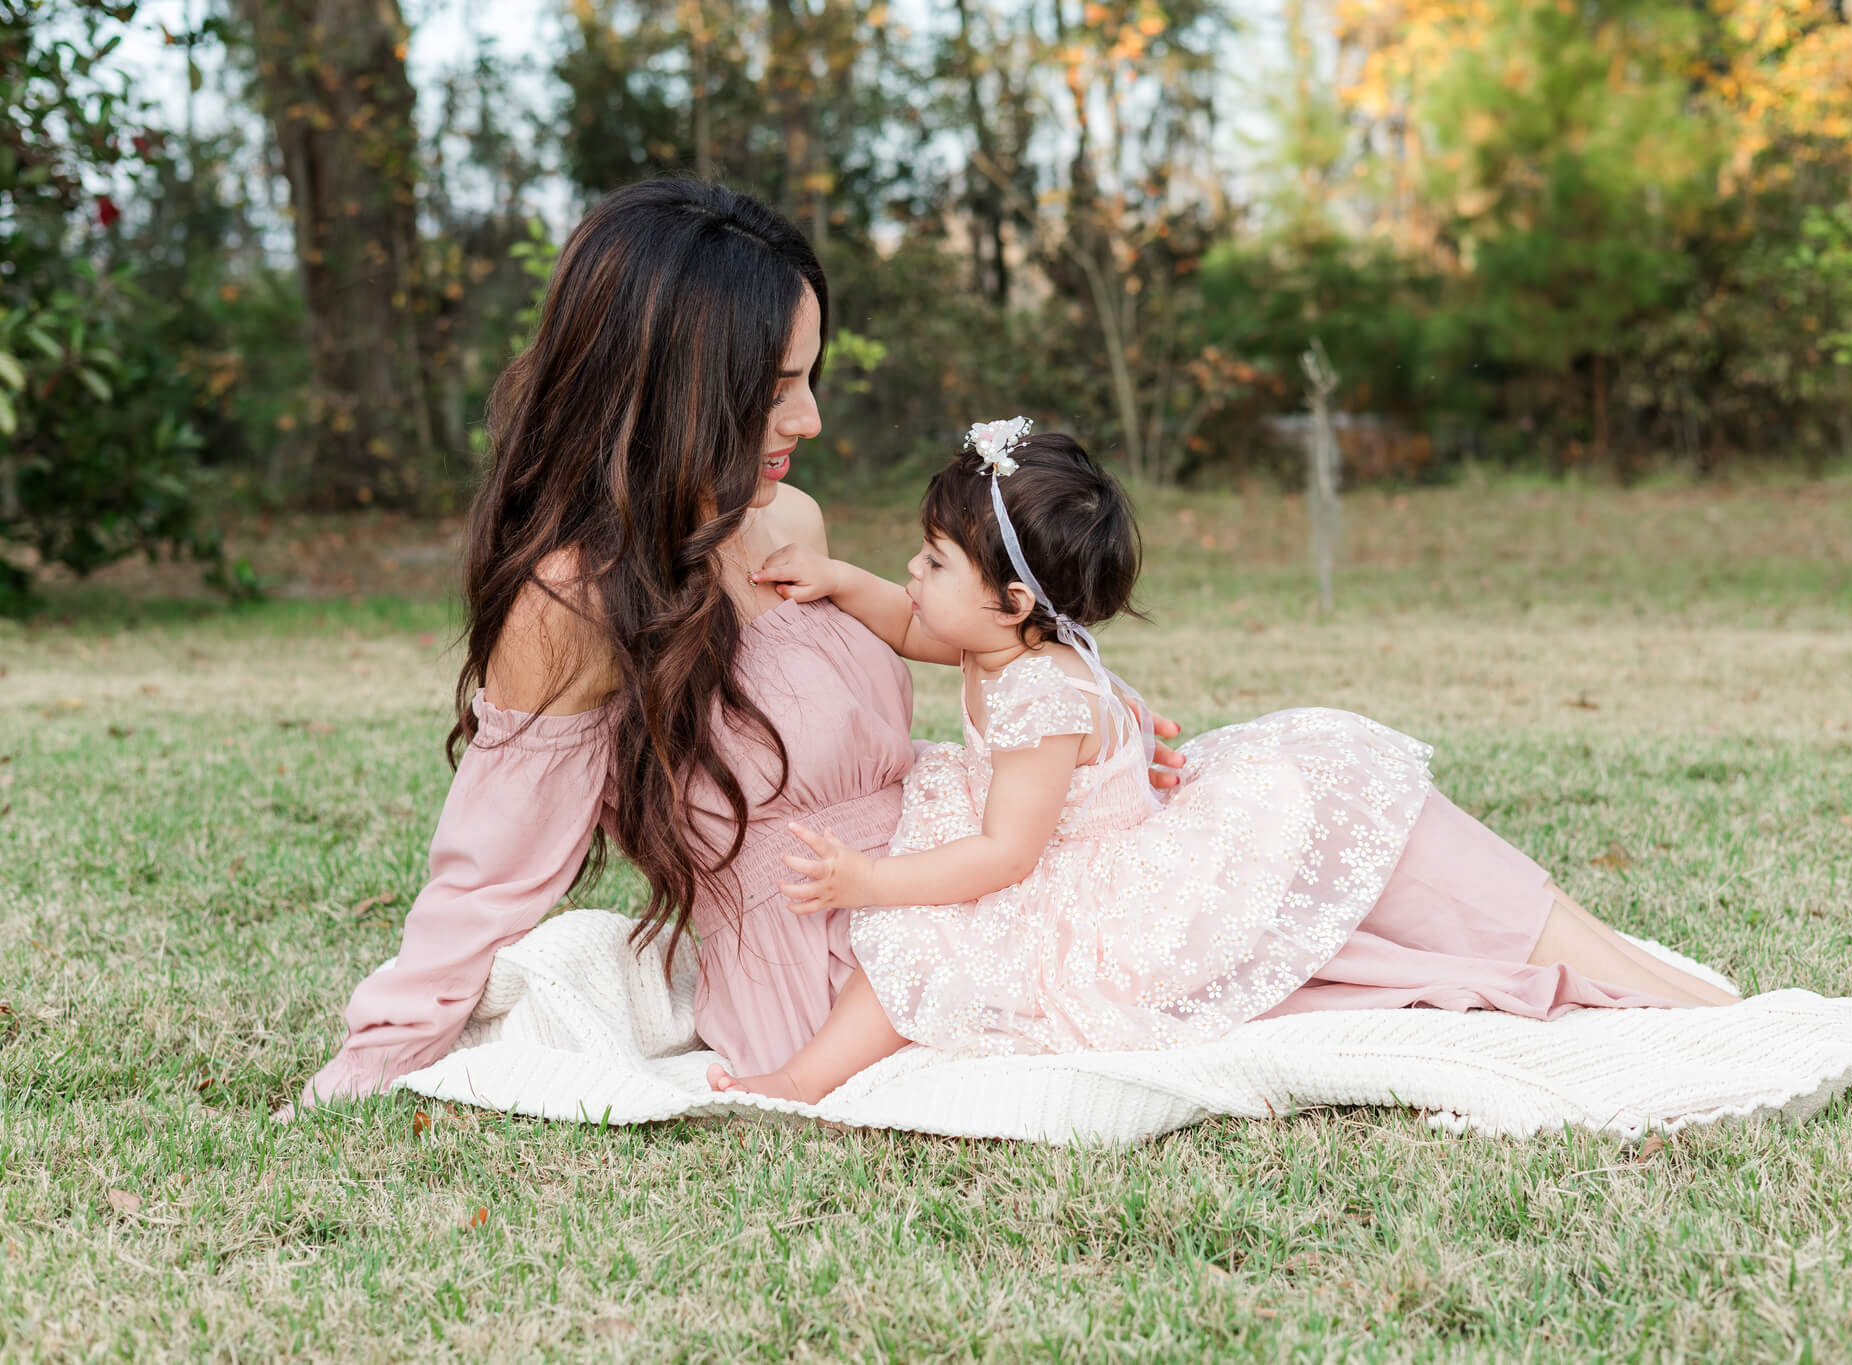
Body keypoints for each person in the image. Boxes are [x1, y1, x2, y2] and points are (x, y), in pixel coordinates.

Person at [284, 180, 1193, 1115]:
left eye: (810, 378)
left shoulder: (789, 518)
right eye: (776, 389)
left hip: (960, 873)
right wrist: (373, 1059)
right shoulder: (574, 600)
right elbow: (489, 869)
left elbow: (894, 732)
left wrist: (1079, 760)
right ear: (670, 389)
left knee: (1272, 817)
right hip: (836, 970)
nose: (810, 421)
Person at [708, 421, 1739, 1104]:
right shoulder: (993, 640)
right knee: (911, 944)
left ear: (1015, 603)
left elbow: (1005, 854)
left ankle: (799, 1084)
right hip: (1051, 828)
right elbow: (911, 627)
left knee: (913, 941)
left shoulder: (1034, 693)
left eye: (932, 561)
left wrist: (871, 880)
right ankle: (804, 1076)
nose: (910, 575)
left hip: (1082, 881)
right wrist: (837, 578)